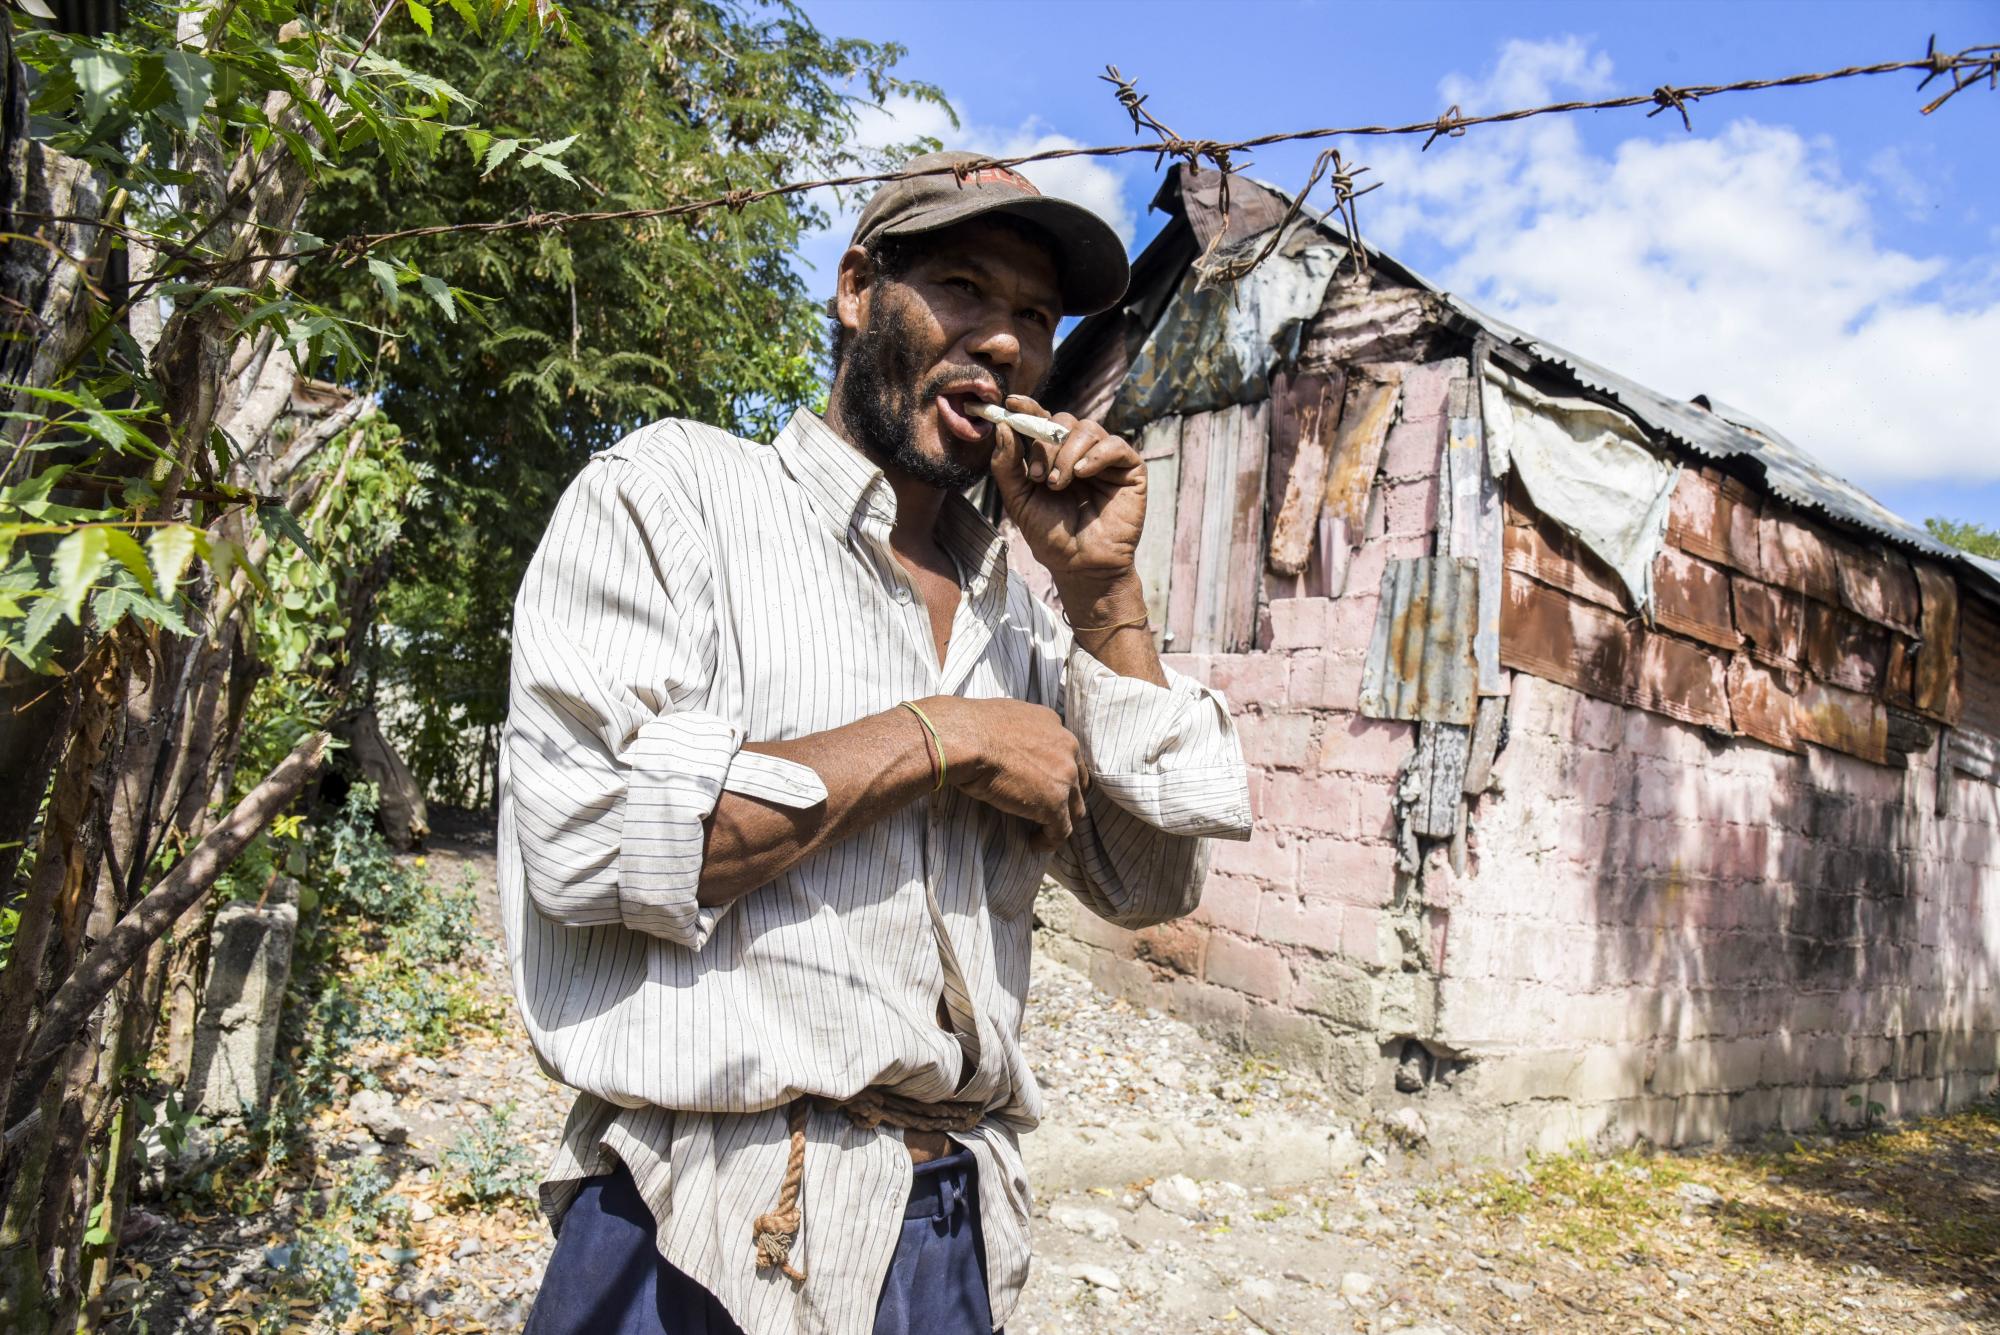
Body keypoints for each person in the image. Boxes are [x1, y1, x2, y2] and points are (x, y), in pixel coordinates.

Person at [500, 150, 1251, 1335]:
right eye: (961, 287)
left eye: (1032, 317)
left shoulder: (1018, 611)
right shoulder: (677, 495)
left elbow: (1150, 883)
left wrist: (1102, 593)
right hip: (701, 1218)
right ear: (856, 289)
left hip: (946, 1227)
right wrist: (937, 738)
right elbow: (587, 842)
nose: (1004, 345)